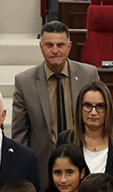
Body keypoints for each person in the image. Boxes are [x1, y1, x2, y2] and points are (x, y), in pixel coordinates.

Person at [10, 20, 100, 167]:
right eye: (49, 45)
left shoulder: (88, 75)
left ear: (69, 46)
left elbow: (100, 120)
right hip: (43, 165)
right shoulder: (25, 82)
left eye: (60, 45)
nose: (55, 50)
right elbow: (20, 133)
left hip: (85, 161)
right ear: (41, 47)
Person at [75, 80, 113, 174]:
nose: (93, 112)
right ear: (79, 108)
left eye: (100, 106)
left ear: (108, 109)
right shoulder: (66, 139)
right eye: (87, 105)